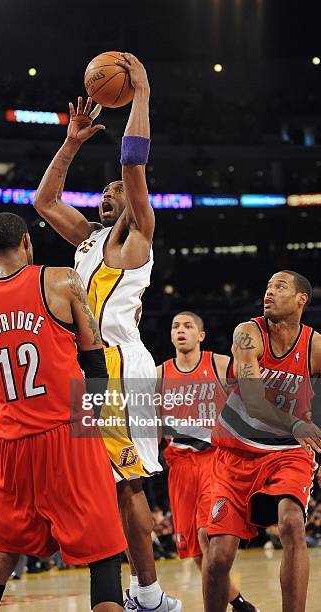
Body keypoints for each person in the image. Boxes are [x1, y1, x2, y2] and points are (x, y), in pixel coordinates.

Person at [34, 52, 180, 612]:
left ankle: (147, 593)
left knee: (129, 482)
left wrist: (139, 94)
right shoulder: (91, 242)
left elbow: (134, 164)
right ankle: (137, 589)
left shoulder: (137, 235)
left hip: (119, 363)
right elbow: (44, 201)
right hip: (93, 368)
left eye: (115, 190)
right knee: (107, 484)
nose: (108, 192)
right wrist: (71, 142)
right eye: (105, 190)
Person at [0, 212, 126, 611]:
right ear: (25, 242)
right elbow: (95, 360)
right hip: (66, 430)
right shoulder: (60, 279)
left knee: (4, 551)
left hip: (11, 439)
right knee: (103, 552)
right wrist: (90, 420)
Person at [205, 270, 321, 612]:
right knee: (219, 558)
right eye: (267, 285)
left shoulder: (314, 346)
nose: (269, 292)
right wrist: (297, 423)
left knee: (292, 524)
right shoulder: (247, 334)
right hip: (237, 448)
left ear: (301, 299)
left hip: (288, 453)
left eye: (280, 287)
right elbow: (254, 402)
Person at [158, 312, 258, 612]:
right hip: (179, 467)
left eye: (188, 326)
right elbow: (146, 422)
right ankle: (240, 604)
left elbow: (253, 391)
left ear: (201, 335)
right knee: (199, 553)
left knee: (207, 536)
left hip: (215, 461)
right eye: (175, 326)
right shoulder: (158, 374)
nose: (181, 330)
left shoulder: (219, 364)